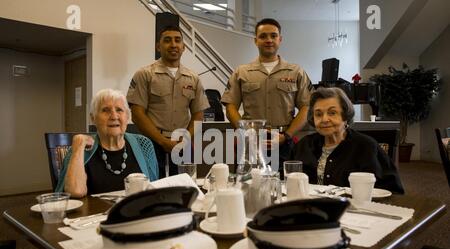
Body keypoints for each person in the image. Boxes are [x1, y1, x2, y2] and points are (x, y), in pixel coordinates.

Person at [221, 18, 315, 168]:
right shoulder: (242, 72)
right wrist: (246, 132)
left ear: (280, 39)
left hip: (283, 141)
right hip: (250, 143)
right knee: (248, 186)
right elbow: (230, 106)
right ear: (255, 40)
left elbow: (307, 106)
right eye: (263, 36)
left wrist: (287, 135)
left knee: (285, 186)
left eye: (273, 35)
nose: (268, 40)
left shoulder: (296, 72)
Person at [127, 25, 209, 178]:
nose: (173, 45)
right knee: (153, 188)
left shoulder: (193, 78)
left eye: (177, 40)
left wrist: (185, 139)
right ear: (158, 46)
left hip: (182, 144)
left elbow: (198, 115)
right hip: (151, 143)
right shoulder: (145, 74)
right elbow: (137, 114)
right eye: (167, 40)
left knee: (184, 187)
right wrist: (163, 142)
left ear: (183, 47)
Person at [290, 87, 404, 193]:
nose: (324, 119)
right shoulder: (304, 145)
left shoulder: (366, 146)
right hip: (309, 208)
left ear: (345, 116)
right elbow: (285, 180)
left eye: (332, 113)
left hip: (354, 210)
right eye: (318, 114)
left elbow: (391, 190)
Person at [56, 89, 159, 197]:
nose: (114, 116)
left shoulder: (143, 144)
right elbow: (75, 192)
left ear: (127, 117)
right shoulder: (82, 149)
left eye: (119, 110)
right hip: (95, 213)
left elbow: (154, 189)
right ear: (93, 118)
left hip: (135, 211)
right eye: (105, 110)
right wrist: (78, 144)